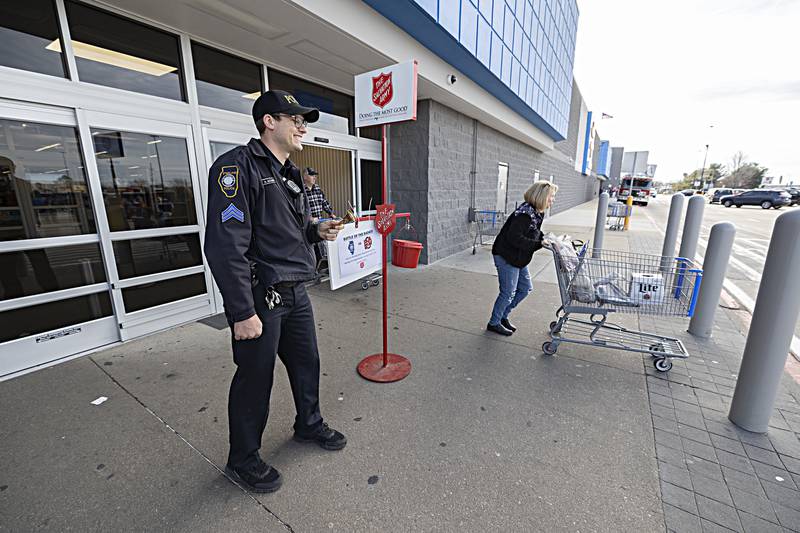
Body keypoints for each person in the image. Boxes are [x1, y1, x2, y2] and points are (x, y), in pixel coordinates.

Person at [204, 90, 347, 494]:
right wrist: (240, 312)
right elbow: (225, 244)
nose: (303, 127)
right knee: (255, 379)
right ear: (269, 121)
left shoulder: (290, 173)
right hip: (260, 298)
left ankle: (309, 424)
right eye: (295, 119)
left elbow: (283, 232)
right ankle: (243, 459)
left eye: (304, 121)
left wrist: (315, 230)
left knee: (307, 363)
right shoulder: (236, 168)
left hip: (295, 292)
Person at [486, 180, 558, 336]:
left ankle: (502, 316)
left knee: (525, 288)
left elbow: (534, 232)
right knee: (508, 292)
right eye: (551, 196)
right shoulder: (525, 214)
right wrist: (539, 243)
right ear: (541, 196)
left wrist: (546, 238)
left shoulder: (537, 212)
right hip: (506, 255)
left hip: (518, 257)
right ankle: (494, 322)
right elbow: (514, 238)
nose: (553, 200)